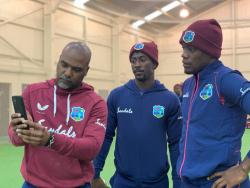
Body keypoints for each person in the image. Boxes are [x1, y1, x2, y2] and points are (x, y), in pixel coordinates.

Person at [8, 42, 108, 188]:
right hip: (33, 184)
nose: (67, 72)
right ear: (59, 60)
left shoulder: (96, 103)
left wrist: (51, 140)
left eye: (76, 69)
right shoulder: (32, 92)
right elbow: (15, 139)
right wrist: (20, 131)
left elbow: (91, 148)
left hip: (77, 185)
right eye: (64, 64)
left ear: (86, 71)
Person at [92, 41, 182, 188]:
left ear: (154, 64)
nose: (137, 64)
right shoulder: (117, 96)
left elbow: (175, 143)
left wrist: (178, 183)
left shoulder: (170, 99)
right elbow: (106, 136)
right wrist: (95, 173)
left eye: (142, 59)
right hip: (122, 181)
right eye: (133, 61)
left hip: (157, 183)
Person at [177, 18, 250, 188]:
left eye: (191, 49)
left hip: (218, 182)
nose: (183, 54)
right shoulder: (188, 85)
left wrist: (243, 168)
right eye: (183, 48)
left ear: (208, 51)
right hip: (188, 181)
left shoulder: (226, 80)